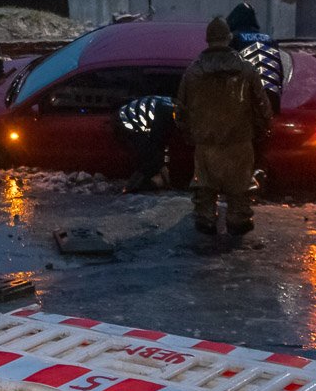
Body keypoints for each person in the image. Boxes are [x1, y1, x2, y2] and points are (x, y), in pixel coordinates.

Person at [177, 17, 273, 236]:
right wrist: (262, 128)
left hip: (206, 142)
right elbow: (261, 104)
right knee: (239, 187)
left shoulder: (193, 72)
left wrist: (188, 132)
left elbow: (181, 108)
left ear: (208, 40)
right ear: (228, 38)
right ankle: (238, 222)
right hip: (239, 141)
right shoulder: (246, 70)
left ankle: (206, 220)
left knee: (205, 186)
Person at [115, 95, 177, 192]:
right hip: (127, 121)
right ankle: (130, 188)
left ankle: (148, 184)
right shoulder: (166, 115)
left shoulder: (172, 107)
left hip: (133, 118)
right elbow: (156, 141)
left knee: (154, 156)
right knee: (150, 159)